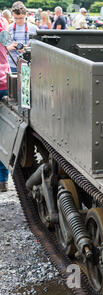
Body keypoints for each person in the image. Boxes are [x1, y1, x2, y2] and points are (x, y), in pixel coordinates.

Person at [0, 15, 13, 192]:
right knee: (3, 134)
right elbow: (7, 44)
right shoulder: (2, 20)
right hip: (4, 81)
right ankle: (2, 180)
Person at [8, 2, 38, 72]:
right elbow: (3, 49)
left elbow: (39, 49)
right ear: (12, 15)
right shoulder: (9, 28)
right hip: (12, 64)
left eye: (21, 18)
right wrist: (9, 47)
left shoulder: (34, 28)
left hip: (28, 64)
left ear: (26, 15)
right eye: (15, 18)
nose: (18, 21)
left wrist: (26, 49)